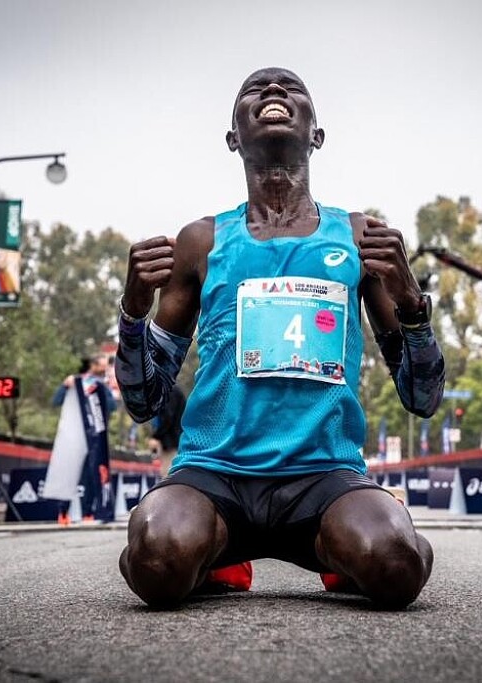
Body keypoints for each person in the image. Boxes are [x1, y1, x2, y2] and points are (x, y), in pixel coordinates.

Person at [114, 67, 445, 610]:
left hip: (324, 478)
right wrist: (132, 312)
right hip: (214, 475)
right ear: (233, 138)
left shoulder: (360, 238)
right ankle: (209, 553)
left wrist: (412, 305)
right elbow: (144, 400)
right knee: (157, 563)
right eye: (255, 88)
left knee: (394, 566)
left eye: (291, 88)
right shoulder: (201, 242)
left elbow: (422, 398)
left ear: (317, 134)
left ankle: (350, 547)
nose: (272, 91)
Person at [50, 353, 117, 524]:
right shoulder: (76, 381)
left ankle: (88, 512)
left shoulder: (101, 385)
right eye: (101, 366)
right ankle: (63, 511)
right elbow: (56, 401)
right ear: (92, 365)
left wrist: (103, 391)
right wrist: (65, 386)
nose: (104, 369)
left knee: (91, 475)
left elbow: (112, 406)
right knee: (69, 473)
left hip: (94, 438)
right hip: (73, 436)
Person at [147, 383, 186, 476]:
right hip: (172, 441)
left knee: (168, 474)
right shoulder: (167, 390)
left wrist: (156, 436)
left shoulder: (169, 391)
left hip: (172, 442)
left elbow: (167, 418)